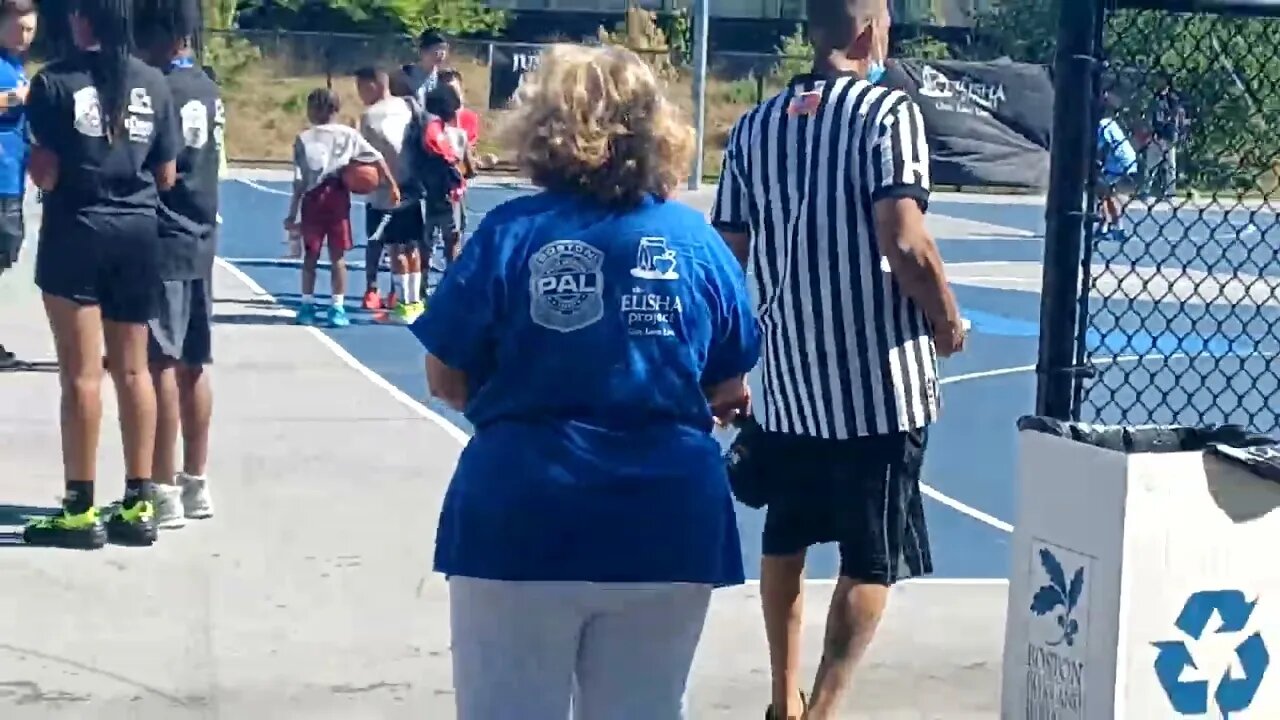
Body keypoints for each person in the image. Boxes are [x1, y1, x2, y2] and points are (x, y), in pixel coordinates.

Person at [410, 44, 759, 719]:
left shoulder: (511, 232)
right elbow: (727, 382)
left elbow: (444, 374)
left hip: (523, 511)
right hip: (665, 519)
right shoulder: (696, 242)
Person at [710, 1, 965, 717]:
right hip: (877, 383)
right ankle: (822, 708)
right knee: (872, 555)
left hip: (791, 377)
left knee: (785, 535)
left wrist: (732, 358)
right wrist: (945, 320)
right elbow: (904, 236)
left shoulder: (755, 127)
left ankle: (780, 696)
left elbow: (729, 250)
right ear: (867, 31)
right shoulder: (888, 114)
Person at [23, 0, 182, 548]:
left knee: (82, 374)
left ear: (80, 20)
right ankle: (140, 500)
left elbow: (46, 174)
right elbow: (165, 173)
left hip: (77, 228)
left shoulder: (54, 83)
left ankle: (79, 507)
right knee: (134, 371)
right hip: (137, 232)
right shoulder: (153, 83)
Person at [133, 0, 220, 529]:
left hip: (164, 233)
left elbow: (154, 167)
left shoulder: (158, 89)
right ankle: (196, 480)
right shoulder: (208, 86)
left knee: (159, 362)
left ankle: (162, 484)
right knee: (193, 363)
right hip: (203, 231)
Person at [283, 88, 398, 328]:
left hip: (315, 199)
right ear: (336, 110)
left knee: (312, 256)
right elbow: (377, 158)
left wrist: (292, 212)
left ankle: (309, 304)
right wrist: (392, 184)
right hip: (336, 197)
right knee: (337, 257)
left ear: (315, 109)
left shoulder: (304, 138)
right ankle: (336, 306)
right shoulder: (348, 134)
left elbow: (299, 181)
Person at [355, 66, 424, 323]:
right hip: (413, 185)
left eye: (360, 88)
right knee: (412, 245)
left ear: (372, 85)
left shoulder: (371, 116)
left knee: (394, 248)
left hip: (386, 190)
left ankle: (402, 306)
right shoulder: (409, 106)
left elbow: (369, 158)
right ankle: (414, 301)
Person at [0, 0, 34, 371]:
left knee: (7, 252)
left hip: (13, 176)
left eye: (30, 30)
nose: (24, 37)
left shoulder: (17, 65)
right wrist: (18, 98)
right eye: (18, 28)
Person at [421, 83, 470, 269]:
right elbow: (467, 167)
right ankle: (451, 278)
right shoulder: (458, 135)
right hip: (450, 192)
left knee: (426, 241)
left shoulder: (422, 130)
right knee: (452, 239)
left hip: (428, 191)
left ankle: (421, 286)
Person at [1097, 91, 1138, 241]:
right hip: (1124, 159)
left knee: (1105, 191)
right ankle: (1108, 226)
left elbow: (1103, 146)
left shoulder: (1102, 124)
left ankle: (1111, 226)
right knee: (1107, 192)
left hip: (1119, 161)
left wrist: (1098, 163)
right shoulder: (1110, 122)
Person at [1145, 76, 1187, 200]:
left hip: (1169, 136)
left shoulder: (1173, 99)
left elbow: (1178, 116)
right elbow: (1153, 117)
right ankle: (1146, 190)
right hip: (1157, 135)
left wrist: (1178, 131)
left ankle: (1170, 192)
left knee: (1170, 165)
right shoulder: (1156, 99)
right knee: (1151, 164)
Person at [403, 29, 447, 108]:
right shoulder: (405, 74)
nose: (441, 54)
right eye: (436, 50)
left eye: (443, 50)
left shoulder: (444, 77)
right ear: (422, 51)